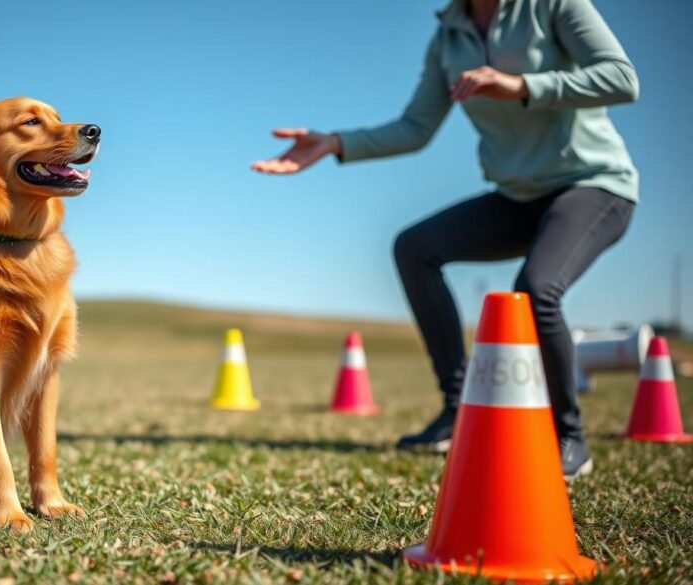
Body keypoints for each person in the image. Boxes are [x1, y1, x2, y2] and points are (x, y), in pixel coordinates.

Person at [251, 0, 638, 480]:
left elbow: (622, 78)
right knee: (414, 247)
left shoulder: (554, 6)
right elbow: (415, 128)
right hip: (518, 196)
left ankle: (568, 436)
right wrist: (335, 142)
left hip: (594, 186)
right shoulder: (448, 37)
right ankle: (457, 408)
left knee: (535, 289)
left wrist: (521, 86)